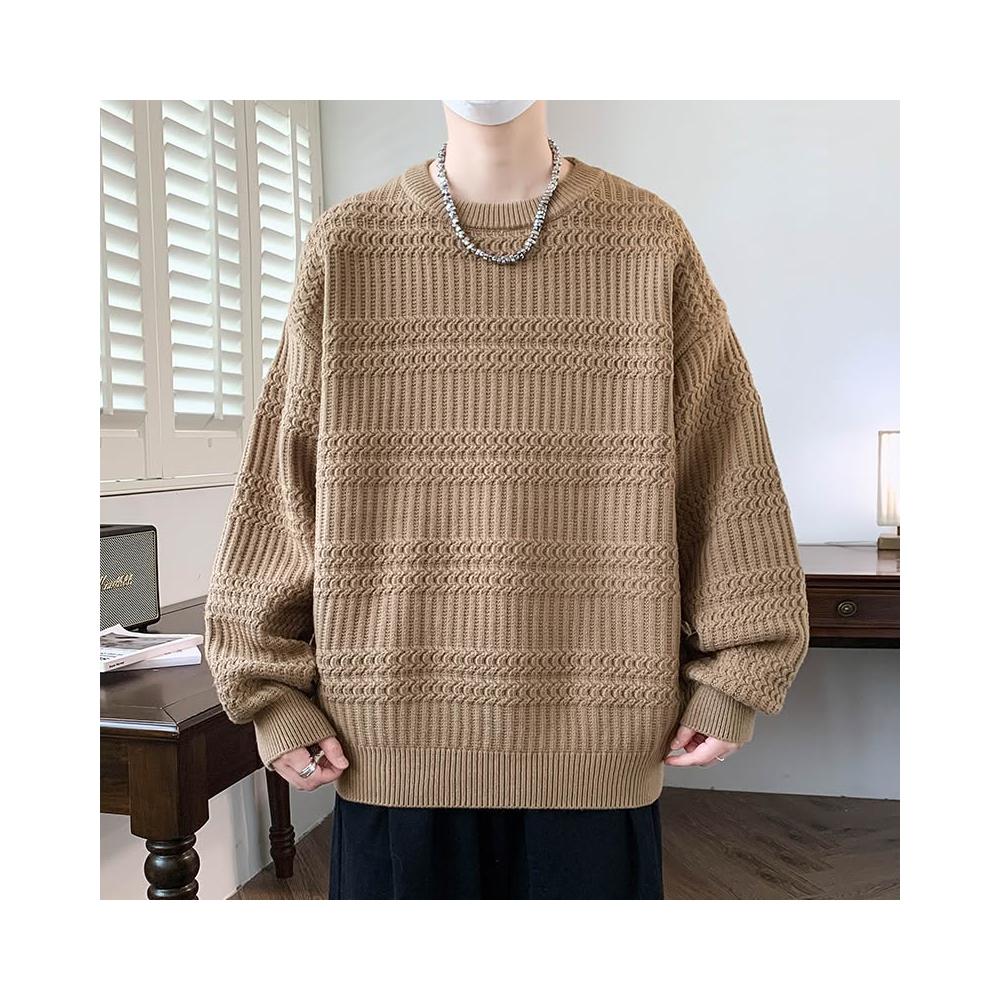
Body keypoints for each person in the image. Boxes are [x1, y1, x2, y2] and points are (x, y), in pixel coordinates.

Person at [204, 99, 811, 900]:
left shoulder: (647, 238)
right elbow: (282, 488)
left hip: (599, 742)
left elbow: (726, 469)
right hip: (388, 738)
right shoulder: (347, 245)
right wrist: (271, 691)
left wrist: (737, 673)